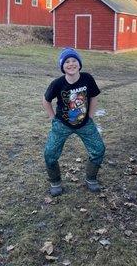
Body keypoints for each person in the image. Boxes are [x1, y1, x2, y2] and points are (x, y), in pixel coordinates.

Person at [42, 47, 105, 196]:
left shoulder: (87, 78)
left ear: (79, 64)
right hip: (62, 124)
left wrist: (90, 116)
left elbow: (94, 96)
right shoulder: (57, 83)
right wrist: (53, 118)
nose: (71, 64)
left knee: (99, 150)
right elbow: (46, 101)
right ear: (62, 66)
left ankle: (91, 179)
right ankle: (55, 182)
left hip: (84, 123)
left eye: (74, 60)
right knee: (49, 154)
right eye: (67, 62)